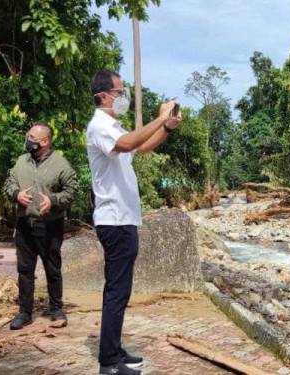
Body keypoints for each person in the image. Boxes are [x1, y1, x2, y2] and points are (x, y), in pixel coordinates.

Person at [86, 70, 182, 375]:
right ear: (103, 95)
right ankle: (108, 363)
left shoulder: (112, 127)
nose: (123, 95)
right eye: (120, 91)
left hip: (124, 220)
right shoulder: (100, 126)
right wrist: (158, 117)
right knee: (116, 291)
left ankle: (113, 350)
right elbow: (128, 144)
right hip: (113, 221)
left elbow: (140, 146)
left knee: (120, 290)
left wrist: (166, 126)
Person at [4, 122, 78, 330]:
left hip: (50, 226)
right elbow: (8, 183)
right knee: (25, 270)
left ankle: (56, 309)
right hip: (25, 224)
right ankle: (24, 312)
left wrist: (53, 200)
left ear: (44, 142)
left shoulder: (61, 165)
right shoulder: (21, 161)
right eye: (28, 136)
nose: (28, 141)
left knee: (52, 268)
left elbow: (72, 192)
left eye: (32, 138)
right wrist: (16, 194)